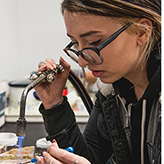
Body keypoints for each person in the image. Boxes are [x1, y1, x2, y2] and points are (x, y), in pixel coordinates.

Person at [35, 0, 161, 163]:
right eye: (75, 43)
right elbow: (90, 158)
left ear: (142, 32)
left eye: (94, 42)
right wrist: (54, 104)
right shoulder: (111, 92)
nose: (81, 62)